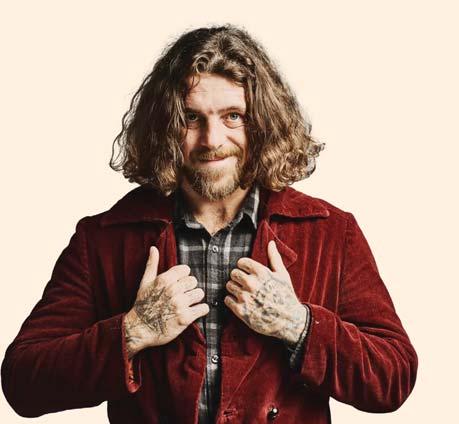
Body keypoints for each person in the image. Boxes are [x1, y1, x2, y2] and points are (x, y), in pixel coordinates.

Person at [1, 24, 417, 423]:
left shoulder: (330, 232)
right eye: (190, 118)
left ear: (263, 123)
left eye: (233, 116)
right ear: (165, 126)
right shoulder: (104, 239)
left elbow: (393, 377)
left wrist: (299, 325)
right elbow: (22, 382)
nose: (212, 140)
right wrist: (133, 331)